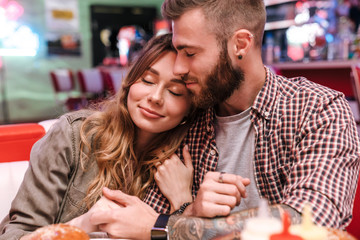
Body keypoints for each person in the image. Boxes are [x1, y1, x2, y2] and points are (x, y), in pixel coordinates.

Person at [88, 0, 360, 239]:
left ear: (240, 44)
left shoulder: (318, 110)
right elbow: (137, 219)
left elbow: (307, 223)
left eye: (190, 53)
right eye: (178, 51)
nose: (179, 68)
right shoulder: (186, 116)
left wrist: (164, 227)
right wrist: (188, 211)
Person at [0, 33, 196, 239]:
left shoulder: (184, 163)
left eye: (175, 92)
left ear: (191, 108)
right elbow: (15, 234)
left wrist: (182, 203)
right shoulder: (75, 136)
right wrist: (82, 224)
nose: (155, 98)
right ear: (130, 82)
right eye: (148, 80)